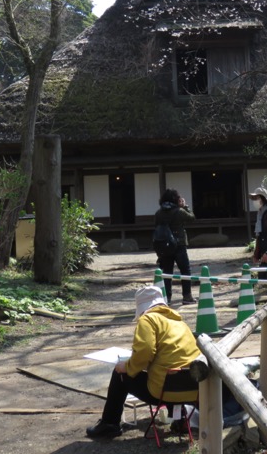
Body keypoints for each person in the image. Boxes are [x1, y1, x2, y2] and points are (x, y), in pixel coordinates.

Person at [86, 285, 201, 439]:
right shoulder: (179, 323)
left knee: (119, 373)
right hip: (193, 389)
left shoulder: (148, 319)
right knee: (174, 368)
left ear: (141, 307)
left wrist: (126, 367)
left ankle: (109, 423)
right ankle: (180, 420)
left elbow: (145, 351)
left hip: (162, 392)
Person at [154, 188, 196, 304]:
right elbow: (191, 218)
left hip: (164, 245)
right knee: (185, 271)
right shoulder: (179, 211)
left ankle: (167, 298)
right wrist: (185, 206)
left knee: (167, 272)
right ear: (176, 199)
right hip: (179, 244)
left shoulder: (159, 213)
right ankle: (187, 296)